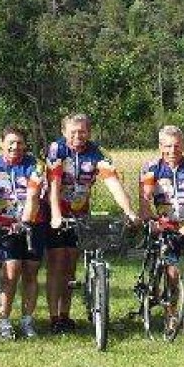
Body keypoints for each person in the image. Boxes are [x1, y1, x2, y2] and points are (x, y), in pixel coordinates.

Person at [46, 113, 139, 333]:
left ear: (89, 132)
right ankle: (53, 317)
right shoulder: (56, 149)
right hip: (55, 210)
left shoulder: (96, 153)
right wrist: (56, 215)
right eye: (73, 132)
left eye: (82, 131)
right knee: (57, 263)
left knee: (70, 265)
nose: (78, 135)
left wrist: (129, 211)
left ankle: (65, 315)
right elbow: (54, 185)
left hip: (80, 213)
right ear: (64, 132)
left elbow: (113, 183)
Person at [0, 127, 46, 340]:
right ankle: (3, 320)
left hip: (33, 224)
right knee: (10, 273)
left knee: (31, 272)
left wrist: (25, 222)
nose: (15, 147)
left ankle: (27, 320)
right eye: (11, 142)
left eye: (20, 143)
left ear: (25, 145)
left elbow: (32, 196)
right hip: (4, 226)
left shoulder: (35, 165)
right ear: (1, 143)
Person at [138, 125, 184, 334]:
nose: (172, 150)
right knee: (172, 273)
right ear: (160, 147)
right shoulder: (151, 168)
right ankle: (171, 315)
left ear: (183, 145)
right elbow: (145, 197)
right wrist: (152, 219)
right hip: (166, 226)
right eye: (167, 146)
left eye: (176, 145)